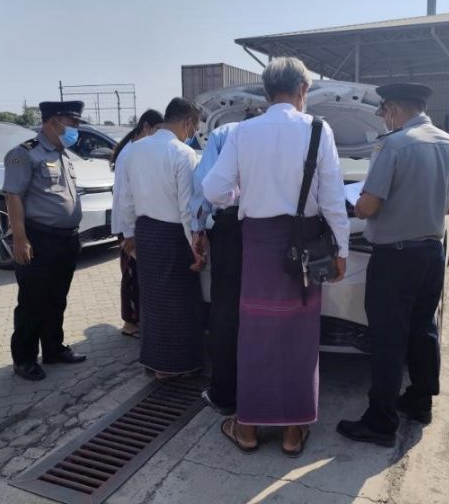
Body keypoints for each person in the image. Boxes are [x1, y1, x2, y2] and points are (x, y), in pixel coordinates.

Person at [203, 57, 349, 457]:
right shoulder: (318, 129)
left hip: (258, 245)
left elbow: (214, 190)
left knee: (256, 335)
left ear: (266, 93)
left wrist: (240, 194)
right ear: (303, 90)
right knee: (300, 338)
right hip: (305, 248)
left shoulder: (243, 131)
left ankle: (248, 428)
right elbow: (333, 198)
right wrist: (341, 249)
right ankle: (292, 433)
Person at [336, 82, 449, 447]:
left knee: (388, 338)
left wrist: (357, 201)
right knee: (423, 328)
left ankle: (380, 422)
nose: (384, 118)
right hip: (431, 253)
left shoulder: (394, 145)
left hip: (395, 257)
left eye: (383, 112)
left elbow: (368, 207)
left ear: (393, 109)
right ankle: (420, 402)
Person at [117, 97, 205, 379]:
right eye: (194, 129)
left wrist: (129, 235)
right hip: (173, 236)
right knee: (178, 302)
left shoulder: (135, 149)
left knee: (152, 301)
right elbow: (187, 207)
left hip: (145, 232)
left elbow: (125, 198)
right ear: (188, 122)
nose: (192, 135)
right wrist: (195, 247)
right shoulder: (182, 153)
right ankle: (175, 366)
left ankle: (154, 362)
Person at [4, 101, 88, 382]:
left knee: (57, 298)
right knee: (32, 302)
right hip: (38, 238)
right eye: (72, 123)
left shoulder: (64, 154)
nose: (75, 129)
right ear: (53, 121)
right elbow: (13, 196)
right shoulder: (24, 154)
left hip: (66, 240)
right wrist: (20, 239)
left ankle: (53, 348)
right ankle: (24, 359)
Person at [191, 108, 263, 416]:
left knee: (226, 310)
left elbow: (204, 184)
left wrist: (198, 228)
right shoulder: (289, 132)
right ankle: (262, 392)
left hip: (232, 227)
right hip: (273, 227)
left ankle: (225, 394)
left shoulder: (224, 133)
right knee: (266, 310)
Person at [110, 109, 164, 338]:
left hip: (131, 223)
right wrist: (128, 234)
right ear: (146, 127)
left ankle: (136, 319)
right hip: (128, 225)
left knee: (135, 273)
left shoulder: (135, 150)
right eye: (157, 130)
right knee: (131, 274)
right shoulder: (130, 153)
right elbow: (124, 196)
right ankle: (130, 323)